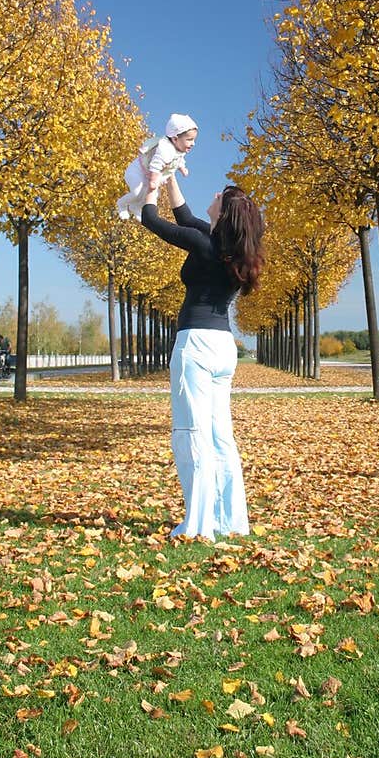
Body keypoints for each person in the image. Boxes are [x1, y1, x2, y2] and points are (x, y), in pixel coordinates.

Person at [140, 170, 265, 541]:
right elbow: (184, 217)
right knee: (220, 437)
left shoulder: (205, 243)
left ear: (223, 213)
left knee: (192, 433)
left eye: (220, 195)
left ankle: (198, 524)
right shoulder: (225, 248)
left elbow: (152, 220)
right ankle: (230, 520)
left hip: (195, 345)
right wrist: (167, 177)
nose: (213, 193)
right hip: (223, 348)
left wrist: (148, 189)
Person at [117, 113, 198, 222]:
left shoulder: (179, 149)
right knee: (137, 192)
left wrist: (182, 168)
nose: (193, 143)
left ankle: (135, 208)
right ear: (175, 139)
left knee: (153, 196)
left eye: (193, 140)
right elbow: (156, 165)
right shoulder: (165, 149)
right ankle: (122, 204)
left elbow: (179, 159)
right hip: (137, 171)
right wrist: (154, 181)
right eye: (189, 140)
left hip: (147, 175)